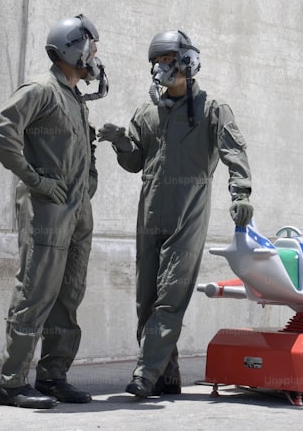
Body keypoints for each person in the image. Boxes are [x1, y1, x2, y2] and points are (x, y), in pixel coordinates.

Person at [97, 29, 253, 398]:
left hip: (188, 214)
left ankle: (145, 374)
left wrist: (241, 193)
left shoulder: (213, 110)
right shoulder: (147, 111)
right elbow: (136, 162)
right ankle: (168, 377)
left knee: (170, 296)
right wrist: (121, 142)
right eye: (155, 63)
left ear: (187, 62)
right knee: (146, 299)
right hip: (150, 213)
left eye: (166, 61)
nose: (159, 70)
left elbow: (235, 154)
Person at [0, 14, 108, 409]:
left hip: (76, 211)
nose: (95, 56)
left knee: (67, 296)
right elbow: (0, 133)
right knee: (35, 293)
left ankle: (54, 376)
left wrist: (89, 178)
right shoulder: (41, 89)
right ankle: (12, 384)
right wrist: (35, 180)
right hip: (47, 210)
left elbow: (81, 147)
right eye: (91, 48)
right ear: (74, 48)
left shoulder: (74, 97)